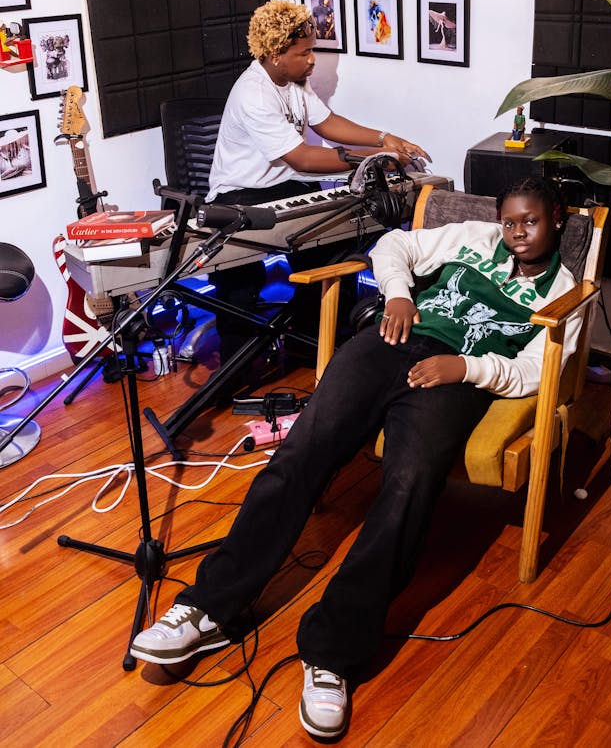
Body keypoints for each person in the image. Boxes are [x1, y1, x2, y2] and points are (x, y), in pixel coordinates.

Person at [131, 176, 582, 739]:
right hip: (391, 341)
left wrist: (465, 368)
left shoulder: (565, 292)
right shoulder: (474, 237)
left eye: (531, 222)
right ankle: (209, 608)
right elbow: (394, 244)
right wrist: (399, 295)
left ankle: (333, 652)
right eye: (510, 221)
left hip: (454, 379)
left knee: (410, 487)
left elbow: (537, 369)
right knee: (304, 449)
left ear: (556, 218)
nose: (517, 233)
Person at [204, 0, 427, 369]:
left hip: (284, 185)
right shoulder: (253, 93)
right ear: (275, 54)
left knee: (335, 244)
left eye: (313, 50)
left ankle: (314, 342)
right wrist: (373, 158)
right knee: (240, 281)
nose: (312, 60)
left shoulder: (292, 81)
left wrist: (383, 138)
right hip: (239, 194)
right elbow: (303, 158)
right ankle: (237, 369)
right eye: (304, 53)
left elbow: (326, 123)